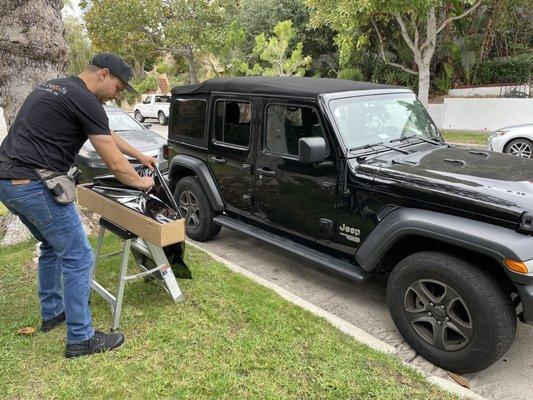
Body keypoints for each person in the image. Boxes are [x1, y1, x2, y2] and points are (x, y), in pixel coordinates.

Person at [0, 53, 155, 358]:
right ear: (103, 74)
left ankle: (53, 313)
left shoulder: (57, 87)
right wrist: (142, 182)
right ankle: (81, 338)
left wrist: (139, 155)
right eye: (119, 87)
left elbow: (105, 134)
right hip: (33, 183)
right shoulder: (87, 101)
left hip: (8, 182)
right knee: (79, 255)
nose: (118, 94)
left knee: (50, 245)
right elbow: (113, 162)